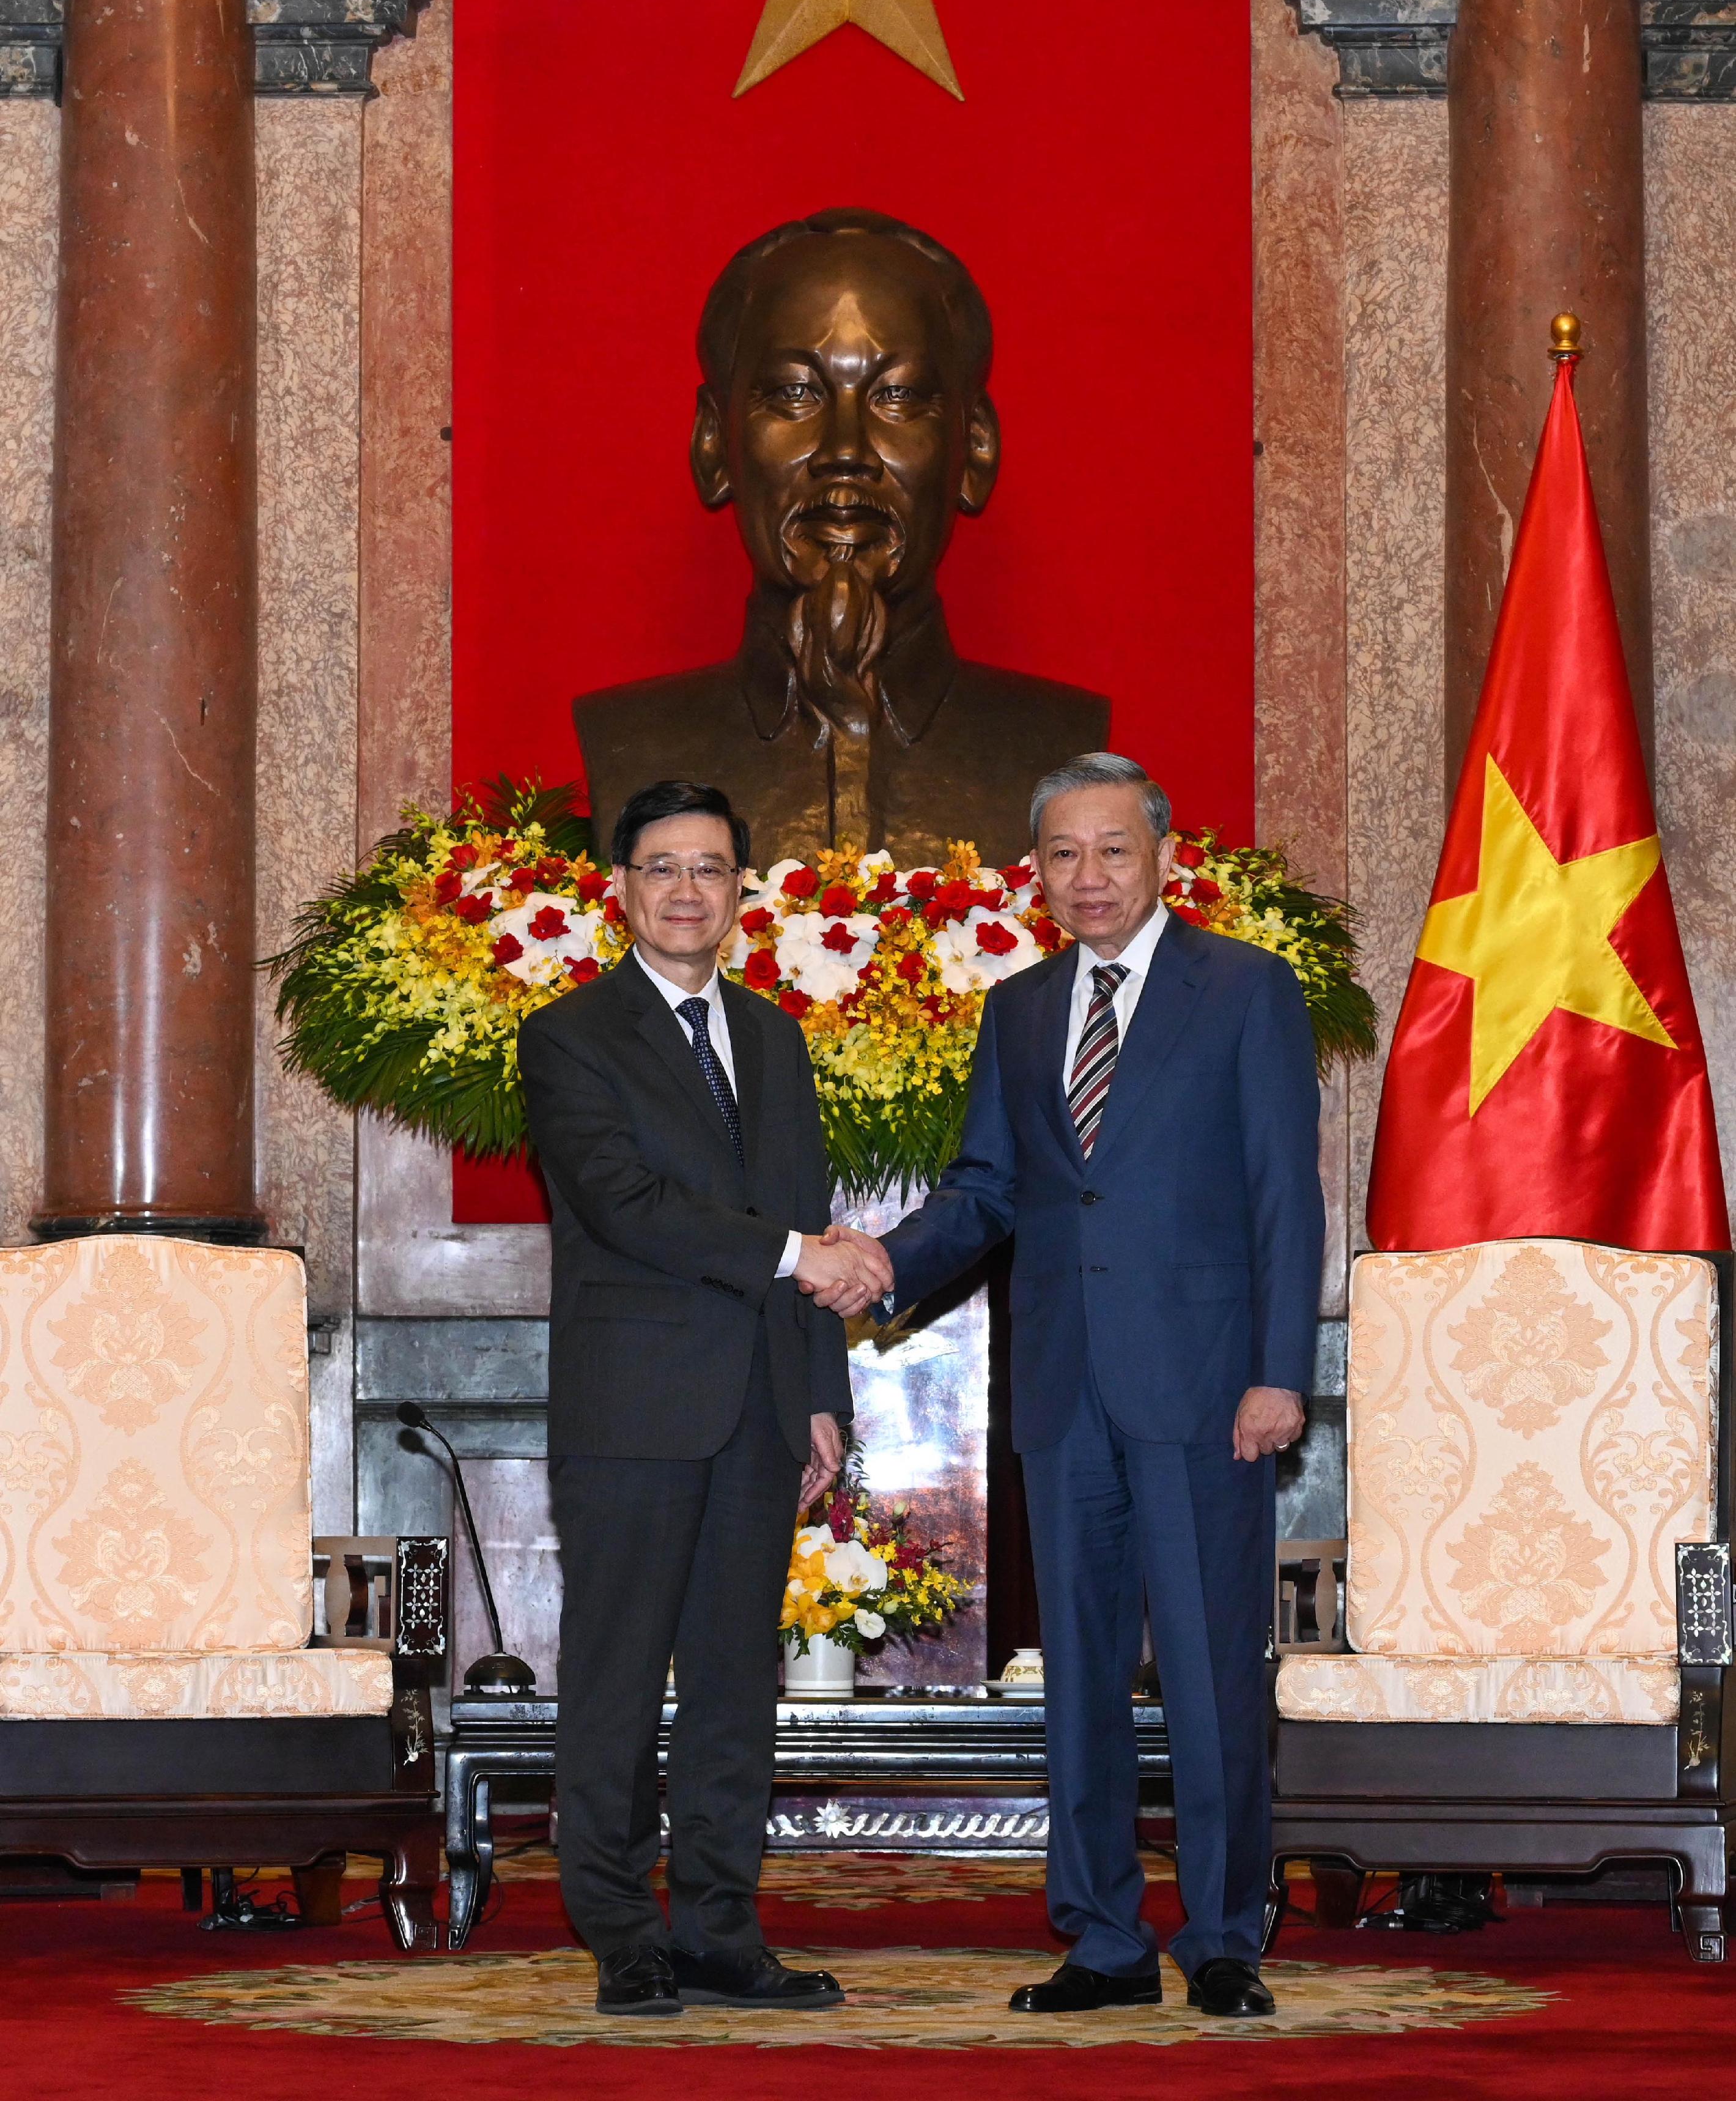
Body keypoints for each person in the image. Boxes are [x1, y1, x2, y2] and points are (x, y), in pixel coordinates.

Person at [803, 750, 1323, 2018]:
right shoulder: (1024, 1008)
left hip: (1208, 1388)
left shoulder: (1245, 990)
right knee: (1080, 1674)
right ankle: (1100, 1936)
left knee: (1206, 1673)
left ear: (1161, 855)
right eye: (1062, 856)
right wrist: (881, 1266)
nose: (1087, 878)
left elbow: (1282, 1194)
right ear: (1035, 872)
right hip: (1064, 1388)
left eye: (1112, 851)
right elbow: (988, 1189)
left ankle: (1221, 1936)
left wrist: (1278, 1374)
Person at [518, 778, 887, 2017]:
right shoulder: (571, 1034)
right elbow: (628, 1205)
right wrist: (798, 1260)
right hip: (633, 1406)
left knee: (736, 1680)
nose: (687, 889)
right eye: (663, 866)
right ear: (620, 889)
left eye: (711, 868)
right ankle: (623, 1928)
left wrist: (820, 1391)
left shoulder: (776, 1037)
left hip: (760, 1408)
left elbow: (808, 1209)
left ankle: (722, 1925)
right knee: (620, 1674)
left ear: (742, 891)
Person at [574, 208, 1108, 869]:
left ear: (974, 449)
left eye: (899, 395)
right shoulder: (629, 741)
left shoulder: (1060, 745)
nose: (846, 451)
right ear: (714, 444)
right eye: (796, 393)